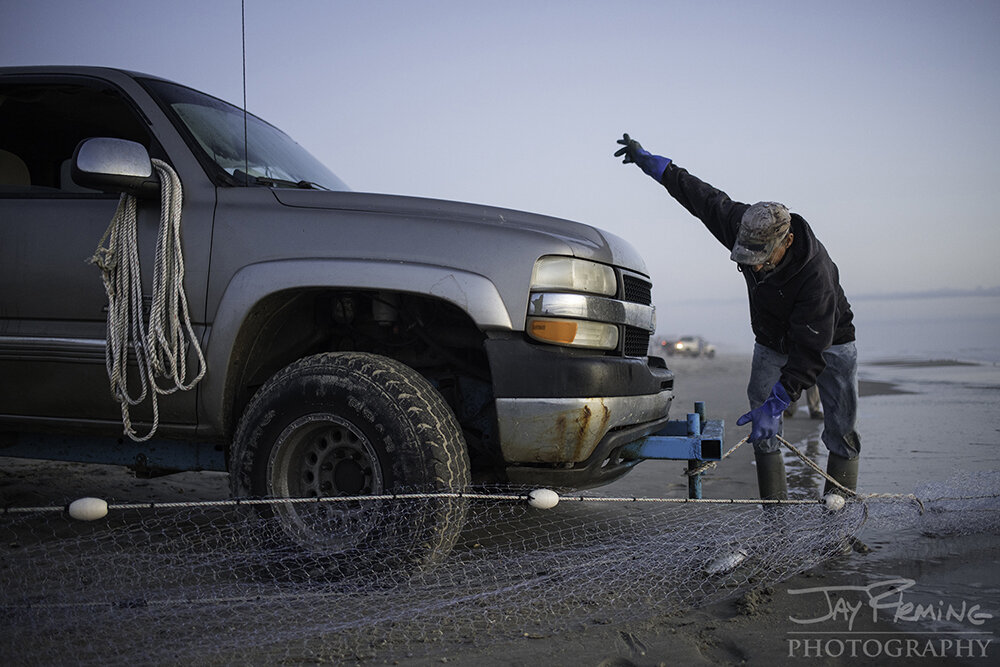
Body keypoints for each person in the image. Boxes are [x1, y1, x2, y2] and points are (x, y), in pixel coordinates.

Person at [615, 134, 860, 501]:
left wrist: (779, 402)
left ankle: (838, 519)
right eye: (747, 256)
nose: (755, 265)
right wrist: (655, 165)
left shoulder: (815, 277)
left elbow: (810, 352)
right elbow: (700, 197)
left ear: (787, 241)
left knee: (840, 430)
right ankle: (775, 520)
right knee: (761, 428)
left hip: (831, 344)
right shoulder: (740, 224)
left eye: (761, 257)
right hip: (770, 341)